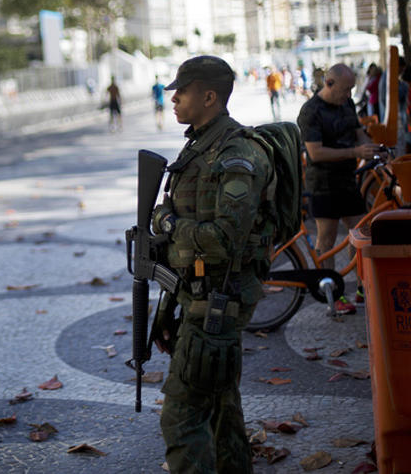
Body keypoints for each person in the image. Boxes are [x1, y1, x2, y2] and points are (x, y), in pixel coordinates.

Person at [151, 56, 272, 473]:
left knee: (181, 417)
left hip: (221, 297)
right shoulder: (199, 144)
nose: (174, 98)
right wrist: (168, 312)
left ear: (209, 96)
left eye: (181, 91)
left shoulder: (237, 153)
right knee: (221, 404)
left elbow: (224, 239)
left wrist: (168, 222)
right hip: (198, 295)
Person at [297, 63, 381, 309]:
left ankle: (364, 287)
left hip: (347, 179)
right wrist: (356, 151)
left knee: (362, 233)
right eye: (345, 89)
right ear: (329, 83)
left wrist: (372, 150)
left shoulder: (347, 104)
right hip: (322, 182)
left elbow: (358, 133)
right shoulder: (310, 111)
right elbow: (316, 153)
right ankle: (332, 294)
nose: (349, 95)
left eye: (352, 90)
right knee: (327, 239)